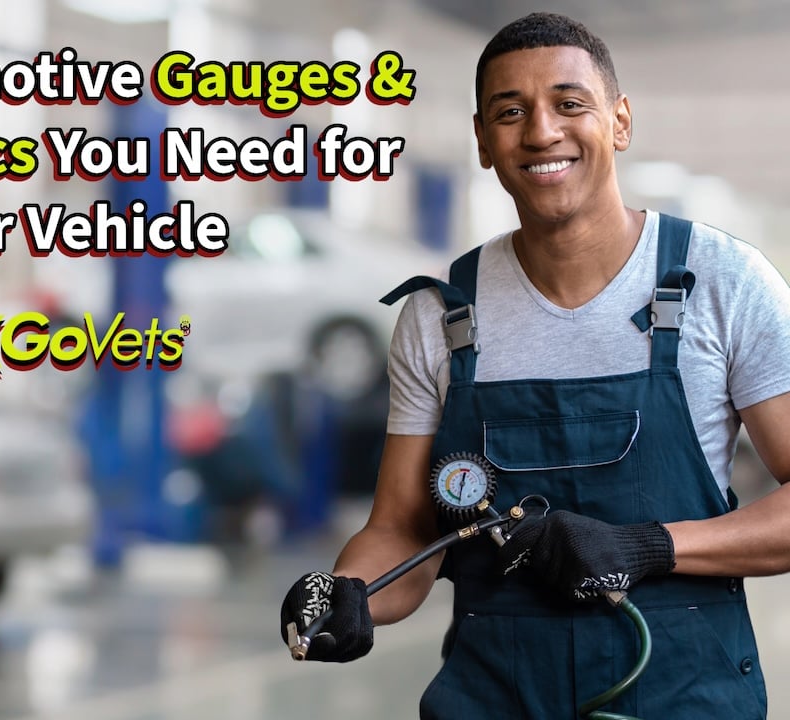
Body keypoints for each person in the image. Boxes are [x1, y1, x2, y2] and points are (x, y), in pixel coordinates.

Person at [279, 11, 790, 719]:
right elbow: (402, 529)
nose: (542, 131)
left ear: (619, 122)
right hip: (495, 695)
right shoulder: (441, 317)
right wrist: (347, 593)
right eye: (510, 113)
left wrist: (646, 547)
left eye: (569, 104)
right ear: (484, 142)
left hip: (682, 693)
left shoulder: (724, 283)